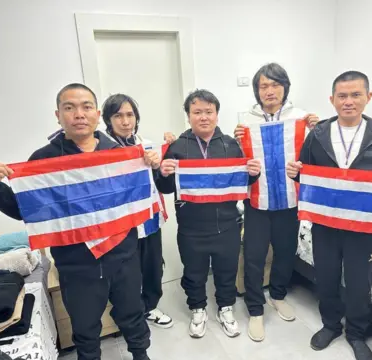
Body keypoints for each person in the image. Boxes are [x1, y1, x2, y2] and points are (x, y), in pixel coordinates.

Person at [0, 84, 152, 360]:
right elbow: (27, 211)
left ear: (96, 113)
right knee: (84, 328)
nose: (79, 114)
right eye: (69, 107)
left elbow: (138, 198)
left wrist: (149, 163)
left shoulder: (118, 152)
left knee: (133, 313)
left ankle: (141, 354)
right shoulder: (44, 159)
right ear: (58, 115)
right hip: (76, 263)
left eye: (85, 107)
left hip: (123, 255)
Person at [286, 71, 372, 360]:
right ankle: (330, 325)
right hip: (325, 224)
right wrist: (295, 174)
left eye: (356, 95)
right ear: (332, 99)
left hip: (364, 226)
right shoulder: (318, 134)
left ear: (368, 97)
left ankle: (357, 333)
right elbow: (306, 175)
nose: (349, 101)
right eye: (342, 96)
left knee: (360, 281)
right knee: (326, 277)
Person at [155, 89, 261, 339]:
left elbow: (243, 182)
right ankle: (198, 308)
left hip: (227, 224)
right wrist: (164, 173)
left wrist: (254, 173)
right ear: (188, 116)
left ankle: (225, 308)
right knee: (194, 272)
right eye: (197, 112)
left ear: (216, 114)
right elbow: (167, 188)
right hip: (191, 228)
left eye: (208, 112)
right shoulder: (178, 147)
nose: (203, 117)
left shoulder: (231, 145)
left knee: (226, 271)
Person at [234, 62, 319, 341]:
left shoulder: (303, 118)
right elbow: (237, 162)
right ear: (257, 91)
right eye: (263, 86)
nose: (269, 91)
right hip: (257, 202)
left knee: (285, 252)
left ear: (285, 87)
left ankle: (279, 295)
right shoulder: (245, 121)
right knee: (255, 257)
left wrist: (317, 130)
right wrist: (238, 143)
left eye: (275, 84)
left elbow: (318, 157)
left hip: (290, 200)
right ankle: (255, 309)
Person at [101, 93, 174, 329]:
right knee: (126, 274)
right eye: (118, 115)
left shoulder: (148, 144)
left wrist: (158, 165)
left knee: (152, 266)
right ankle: (130, 315)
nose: (125, 121)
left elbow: (163, 183)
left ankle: (150, 306)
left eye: (130, 114)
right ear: (108, 120)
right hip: (121, 224)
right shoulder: (101, 150)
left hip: (149, 218)